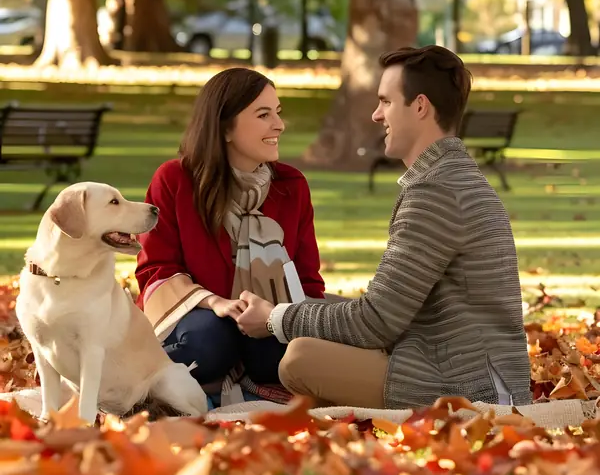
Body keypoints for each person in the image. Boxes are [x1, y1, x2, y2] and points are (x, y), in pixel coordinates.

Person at [236, 45, 532, 410]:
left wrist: (274, 319)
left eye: (386, 102)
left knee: (301, 359)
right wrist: (289, 310)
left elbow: (375, 322)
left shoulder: (437, 191)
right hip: (445, 358)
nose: (377, 115)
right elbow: (386, 311)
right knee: (311, 309)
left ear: (420, 106)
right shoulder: (449, 177)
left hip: (465, 385)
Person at [136, 67, 324, 405]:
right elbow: (155, 270)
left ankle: (230, 388)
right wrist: (215, 303)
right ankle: (157, 388)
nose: (278, 125)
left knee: (282, 350)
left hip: (268, 320)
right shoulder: (175, 181)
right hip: (198, 321)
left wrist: (279, 318)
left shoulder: (291, 186)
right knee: (211, 337)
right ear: (224, 128)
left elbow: (307, 281)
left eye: (277, 113)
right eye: (263, 114)